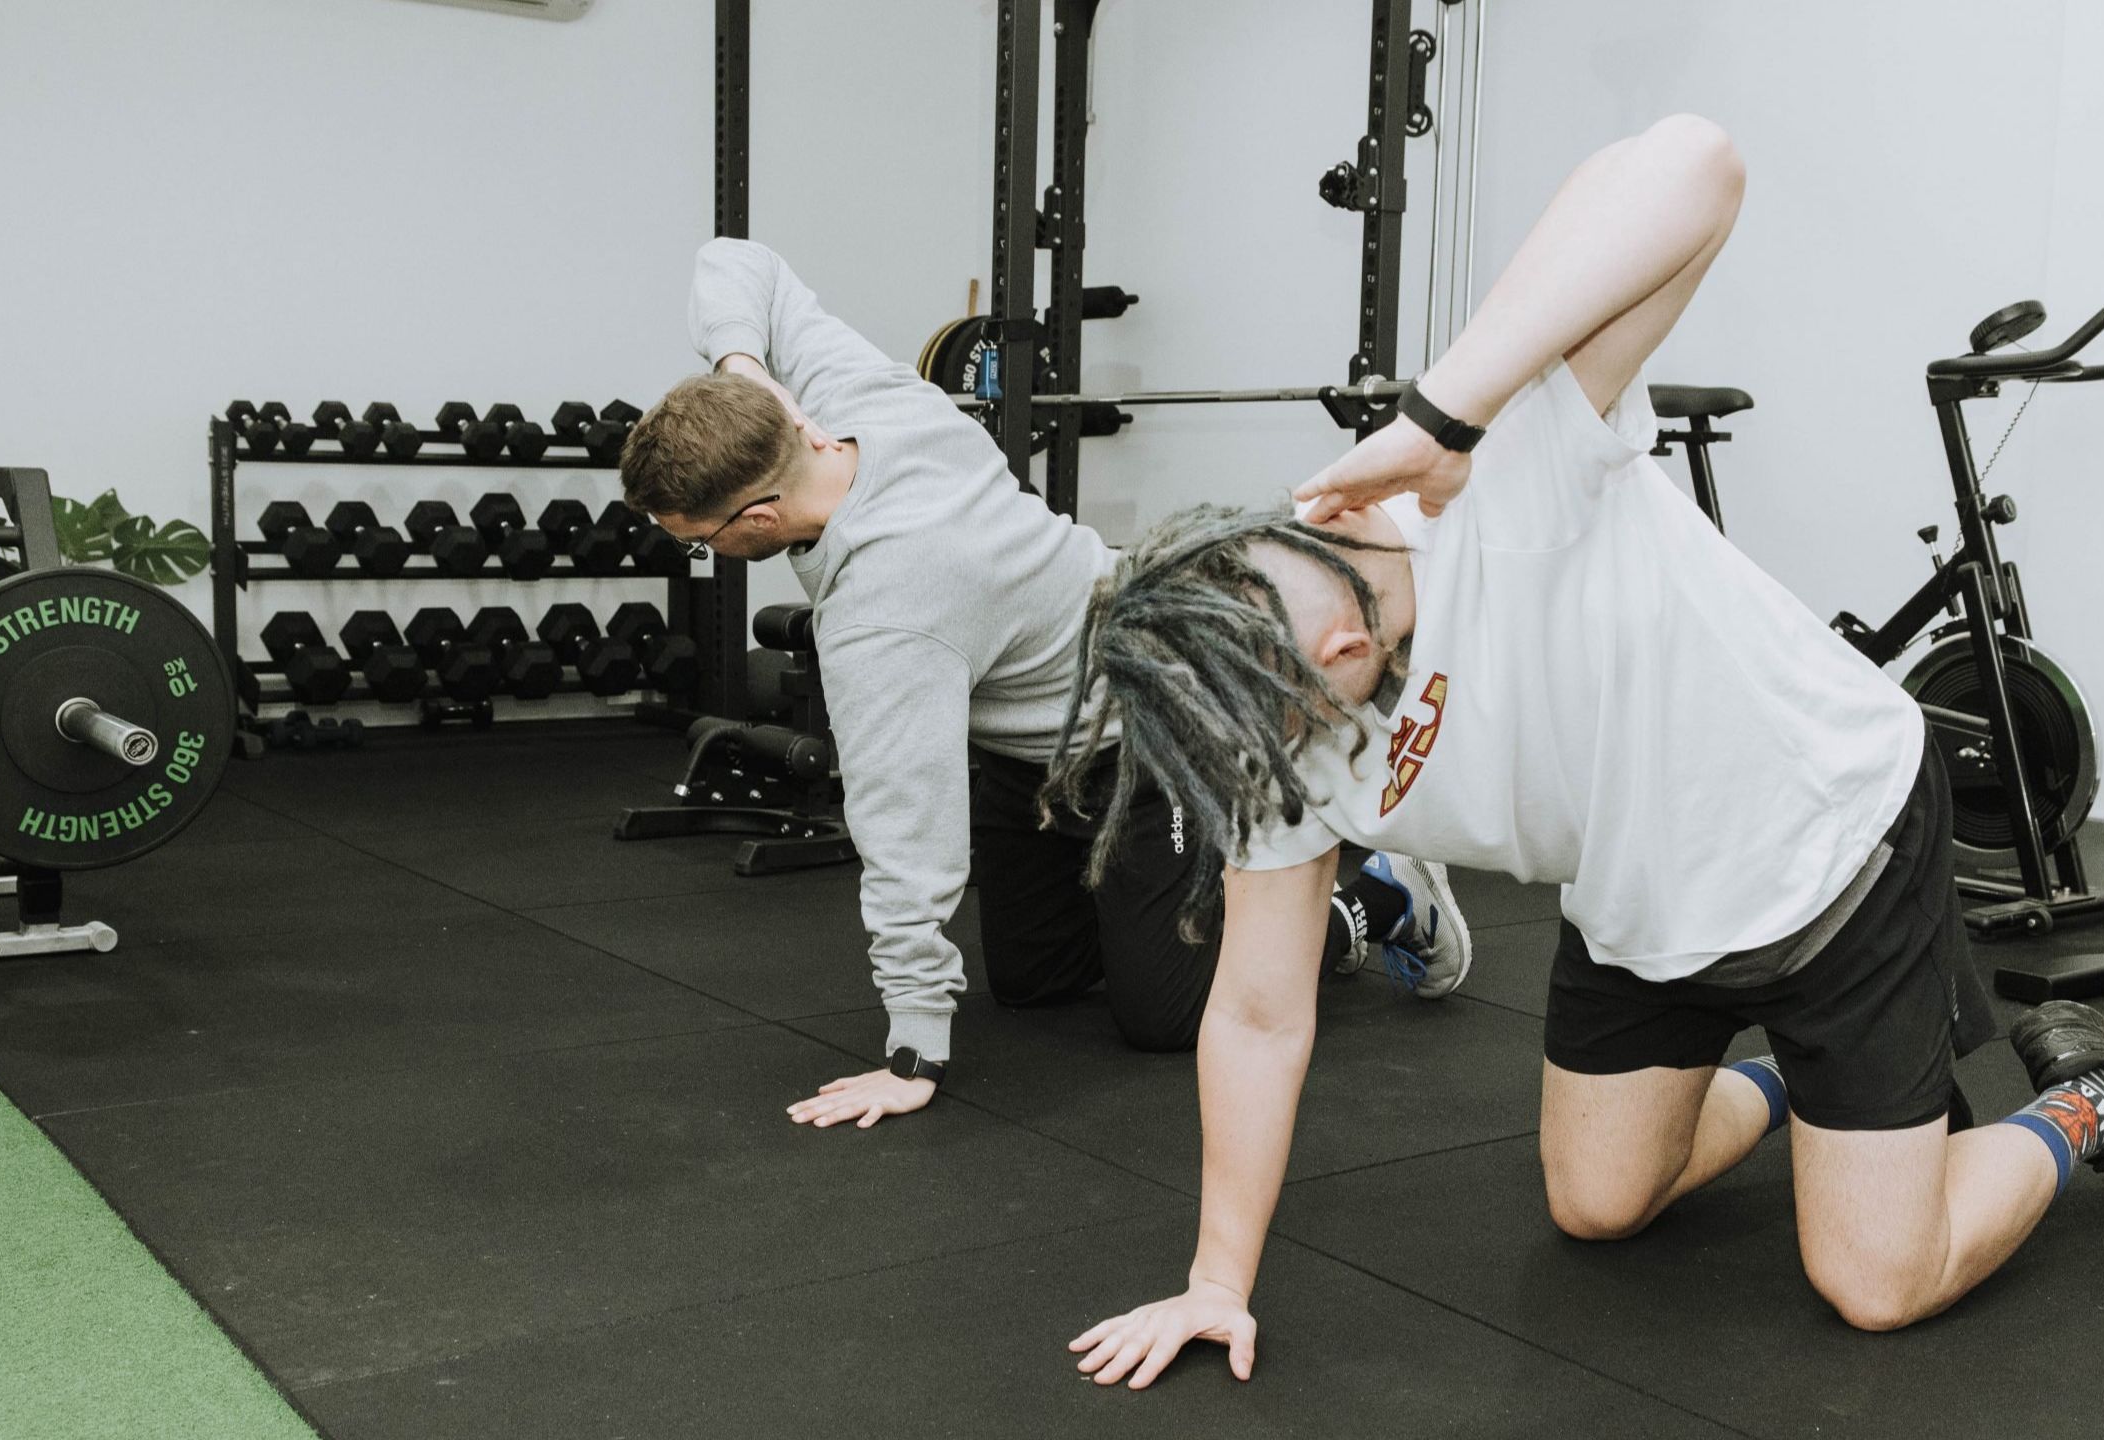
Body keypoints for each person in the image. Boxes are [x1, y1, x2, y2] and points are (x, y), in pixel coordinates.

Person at [1046, 114, 2104, 1386]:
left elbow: (1696, 161)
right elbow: (1257, 1013)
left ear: (1297, 531)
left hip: (1829, 842)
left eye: (1323, 630)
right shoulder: (1271, 744)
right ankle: (1816, 1090)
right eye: (1298, 695)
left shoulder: (1500, 475)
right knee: (1597, 1205)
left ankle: (2093, 1102)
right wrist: (1215, 1282)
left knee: (1875, 1283)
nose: (1332, 671)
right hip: (1638, 903)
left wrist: (1445, 411)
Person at [616, 238, 1473, 1130]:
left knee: (1166, 1017)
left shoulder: (886, 615)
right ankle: (1165, 903)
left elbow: (905, 832)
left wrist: (915, 1048)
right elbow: (736, 260)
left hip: (1148, 733)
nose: (704, 551)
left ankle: (1378, 898)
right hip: (1031, 753)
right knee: (1034, 984)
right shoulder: (862, 403)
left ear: (760, 515)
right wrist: (745, 369)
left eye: (699, 539)